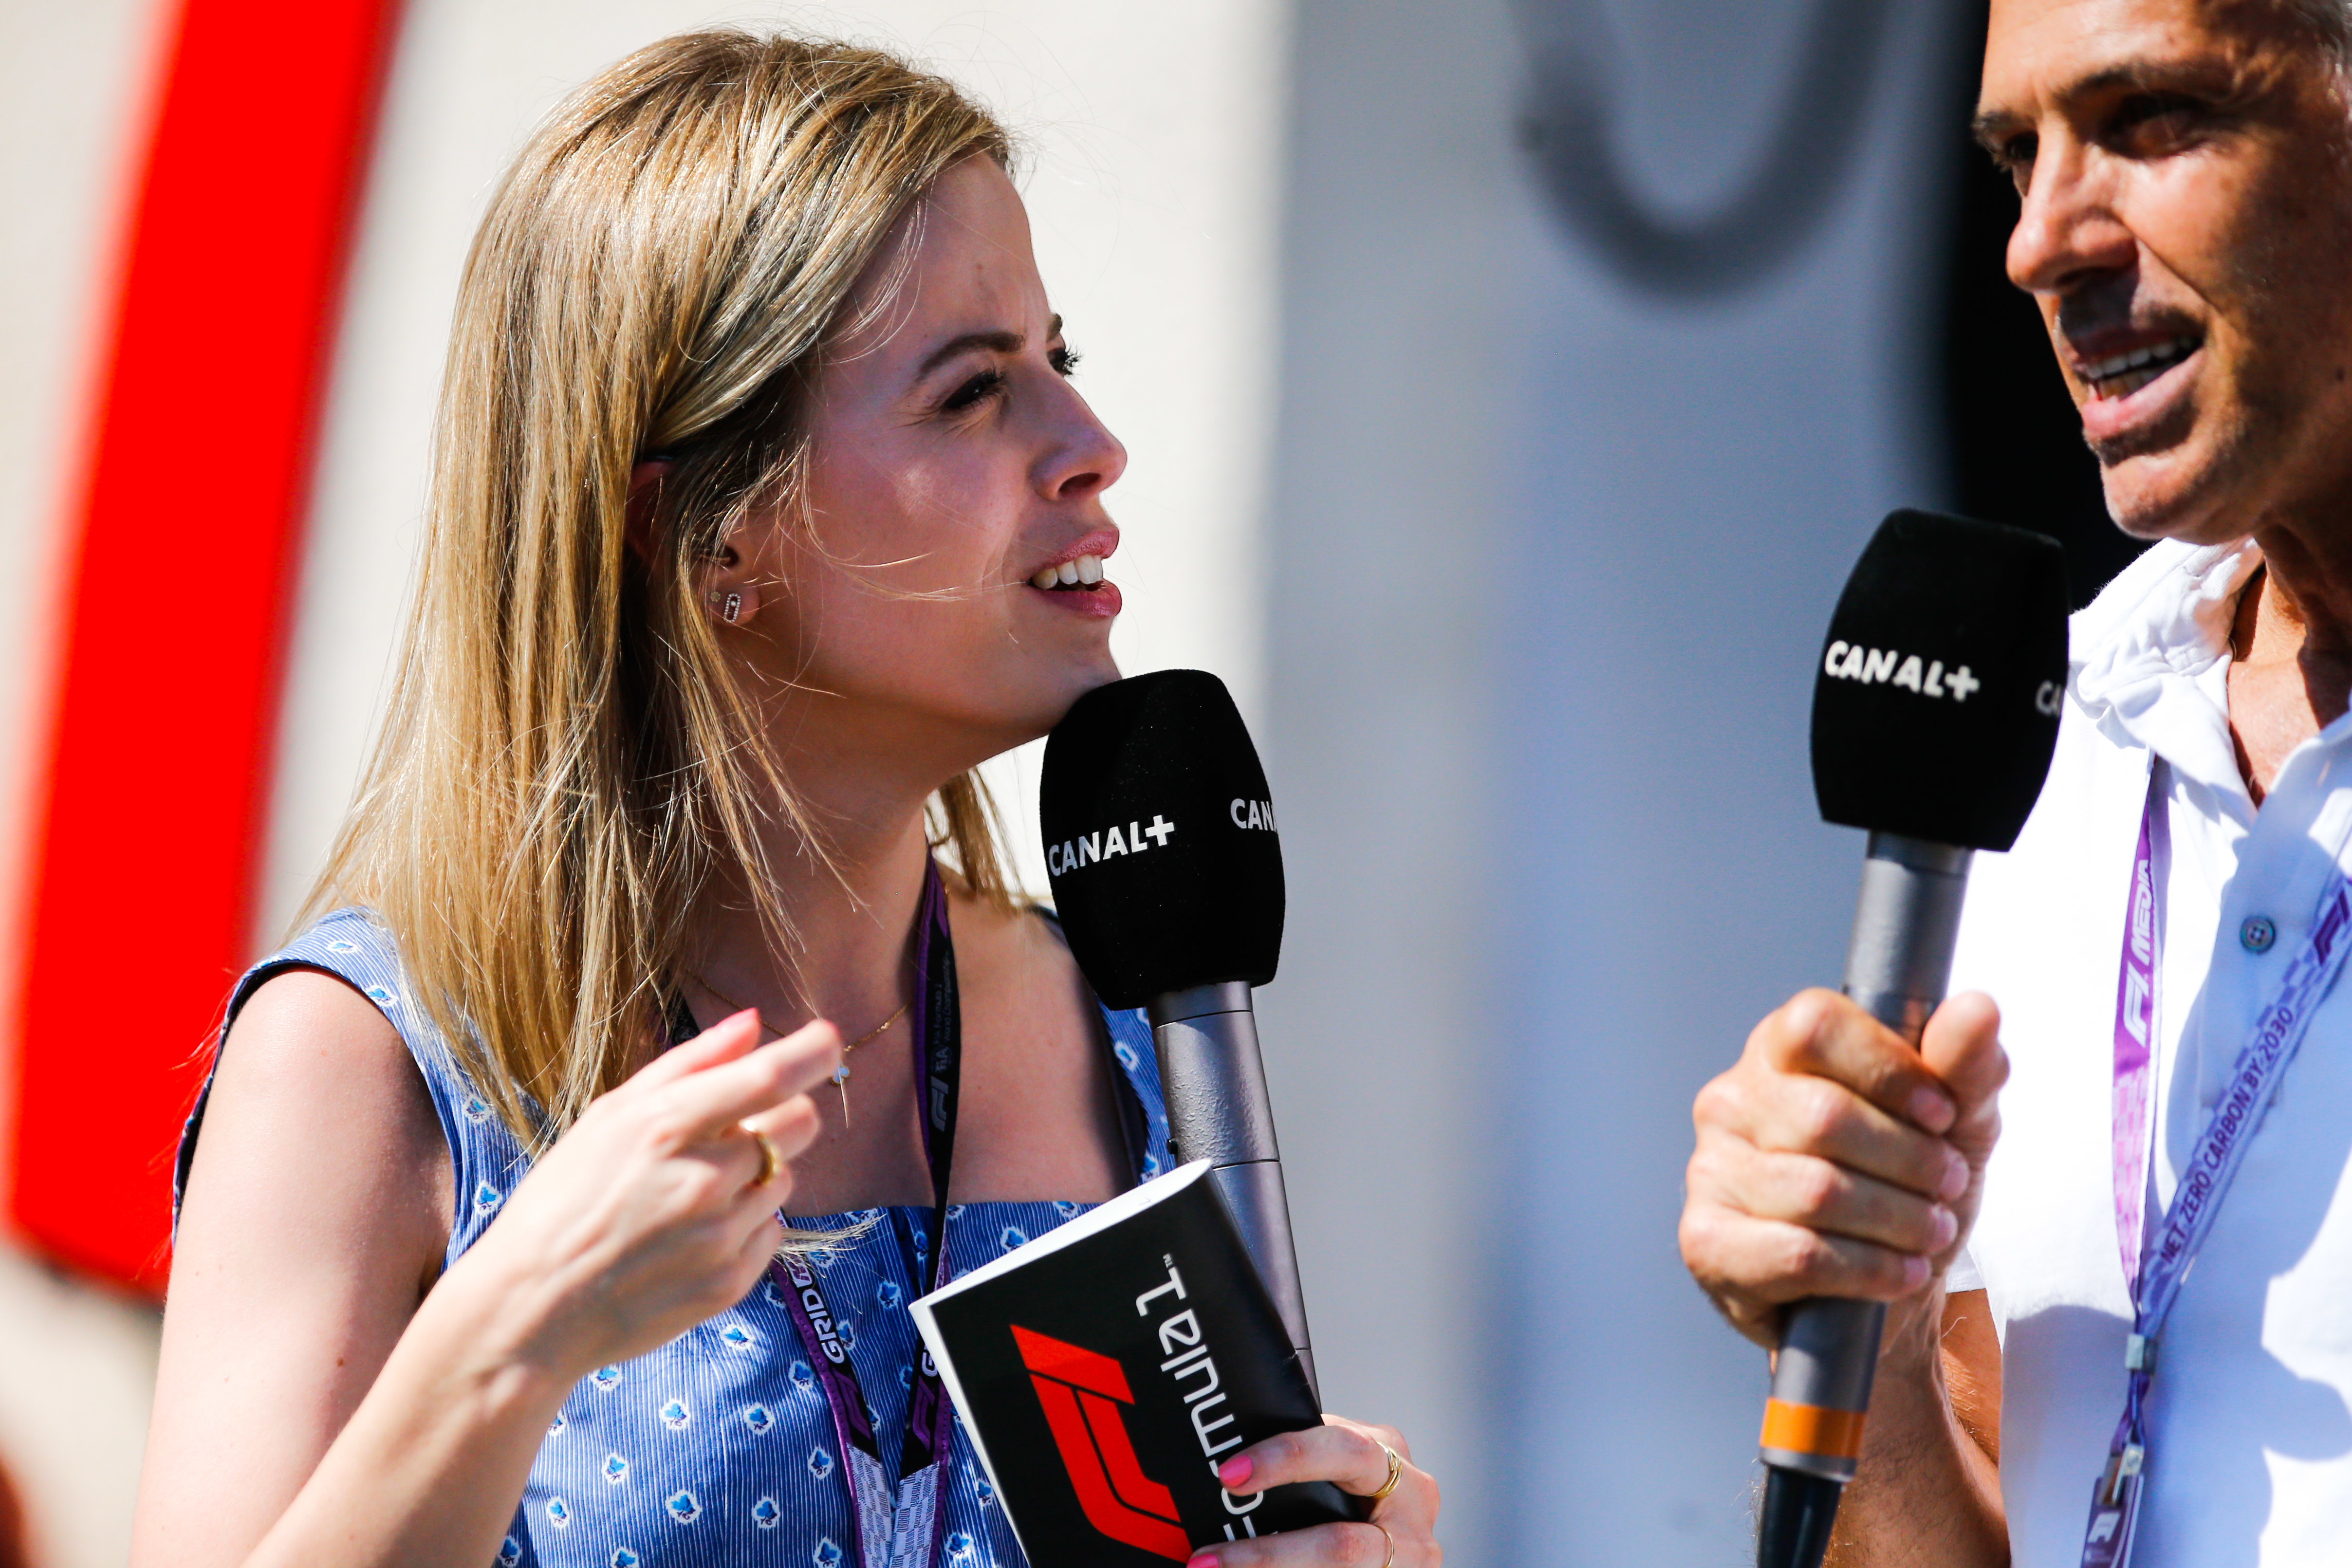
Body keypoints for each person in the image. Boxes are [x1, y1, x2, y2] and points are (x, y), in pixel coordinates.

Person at [132, 32, 1440, 1568]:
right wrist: (512, 1335)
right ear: (712, 534)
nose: (1093, 450)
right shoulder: (375, 1062)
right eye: (974, 392)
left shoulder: (1132, 1033)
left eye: (1061, 363)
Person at [1678, 0, 2352, 1562]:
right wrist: (1875, 1331)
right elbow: (1990, 1511)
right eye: (2015, 158)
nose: (2039, 242)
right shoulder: (2068, 731)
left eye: (2150, 121)